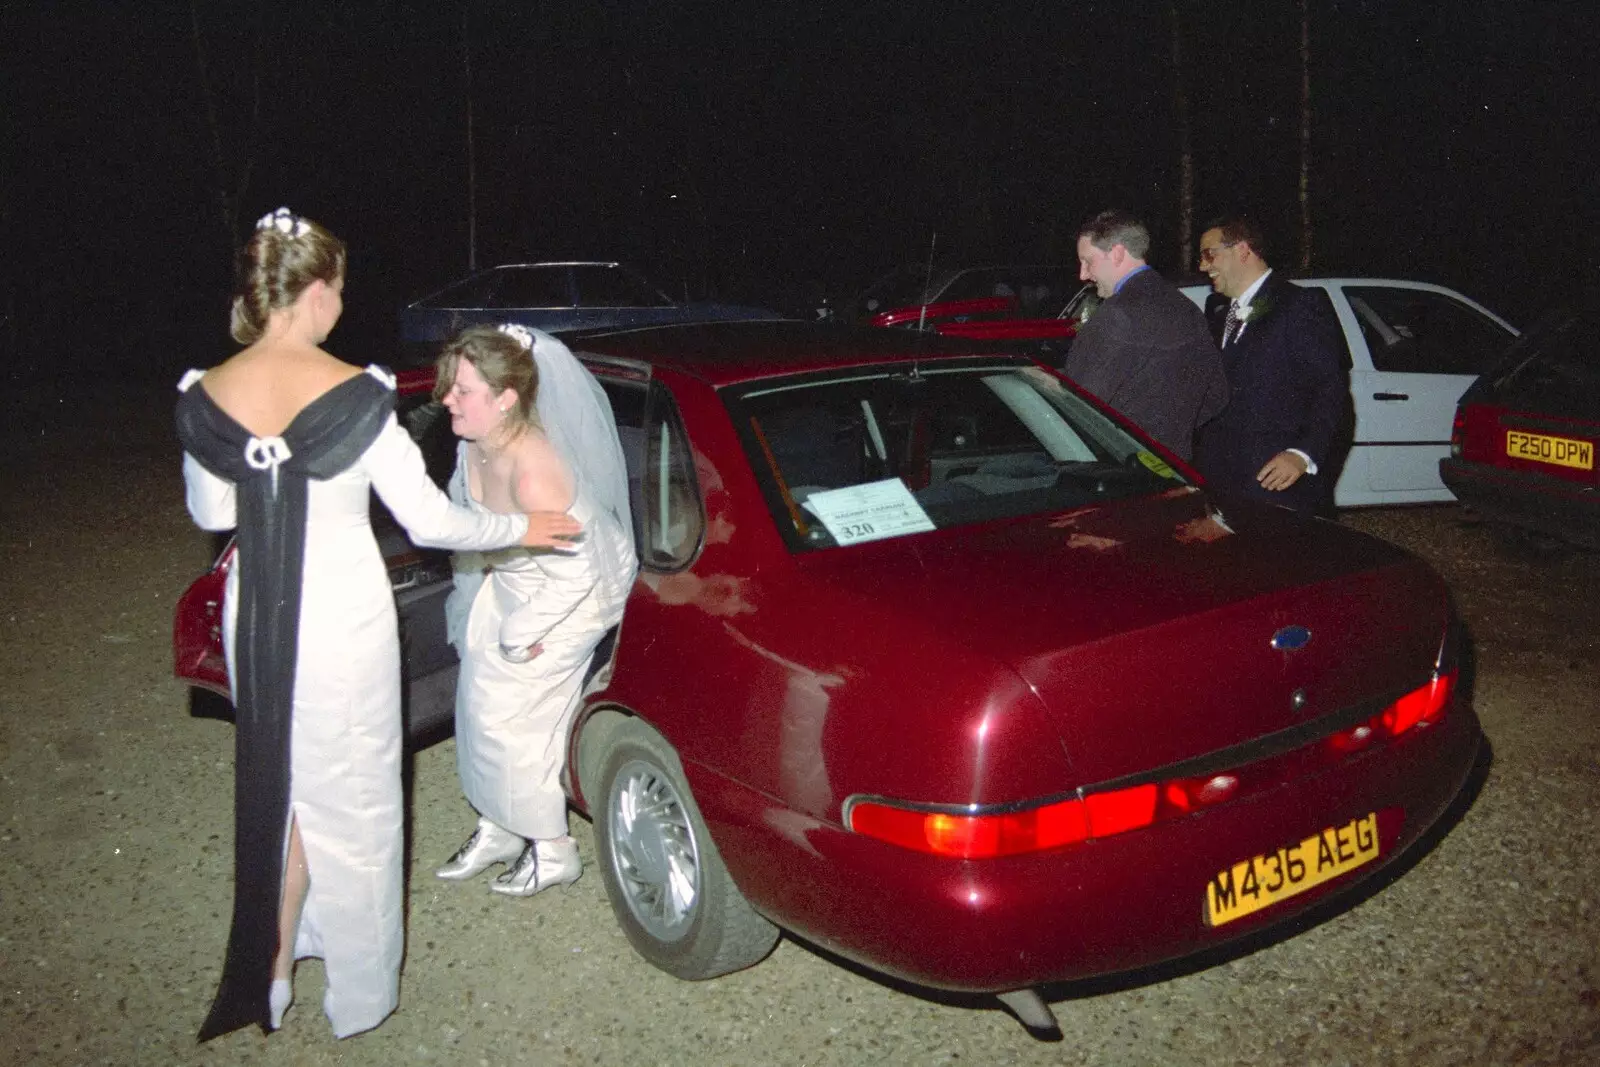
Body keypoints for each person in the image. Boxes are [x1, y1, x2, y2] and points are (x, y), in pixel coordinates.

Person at [174, 208, 582, 1041]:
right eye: (340, 292)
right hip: (343, 619)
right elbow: (431, 522)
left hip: (261, 617)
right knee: (353, 801)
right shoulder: (357, 395)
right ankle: (356, 994)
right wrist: (520, 529)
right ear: (318, 290)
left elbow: (214, 506)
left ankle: (275, 967)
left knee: (279, 787)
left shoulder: (205, 391)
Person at [432, 324, 637, 897]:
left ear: (506, 400)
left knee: (517, 721)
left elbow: (578, 572)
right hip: (519, 578)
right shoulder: (474, 443)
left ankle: (552, 849)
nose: (448, 397)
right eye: (450, 384)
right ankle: (499, 827)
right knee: (478, 704)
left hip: (577, 594)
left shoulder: (535, 470)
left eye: (463, 389)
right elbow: (472, 524)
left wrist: (521, 634)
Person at [1191, 214, 1349, 516]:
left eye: (1209, 254)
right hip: (1222, 483)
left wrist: (1303, 455)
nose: (1203, 266)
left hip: (1275, 484)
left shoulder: (1299, 305)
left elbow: (1331, 388)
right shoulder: (1220, 316)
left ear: (1242, 250)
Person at [1063, 208, 1228, 462]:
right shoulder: (1186, 309)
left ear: (1117, 253)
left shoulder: (1116, 316)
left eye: (1088, 261)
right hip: (1174, 469)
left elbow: (1074, 410)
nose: (1083, 274)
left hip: (1119, 472)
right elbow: (1216, 395)